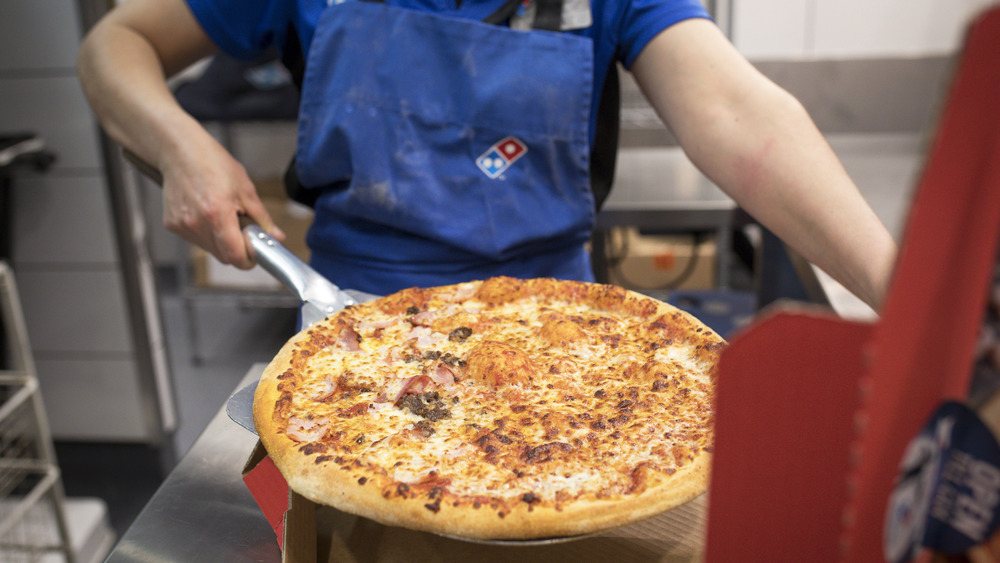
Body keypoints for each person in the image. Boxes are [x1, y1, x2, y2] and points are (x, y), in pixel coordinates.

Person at [76, 0, 896, 309]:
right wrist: (180, 142)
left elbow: (744, 119)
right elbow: (115, 43)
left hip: (554, 325)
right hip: (354, 314)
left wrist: (908, 295)